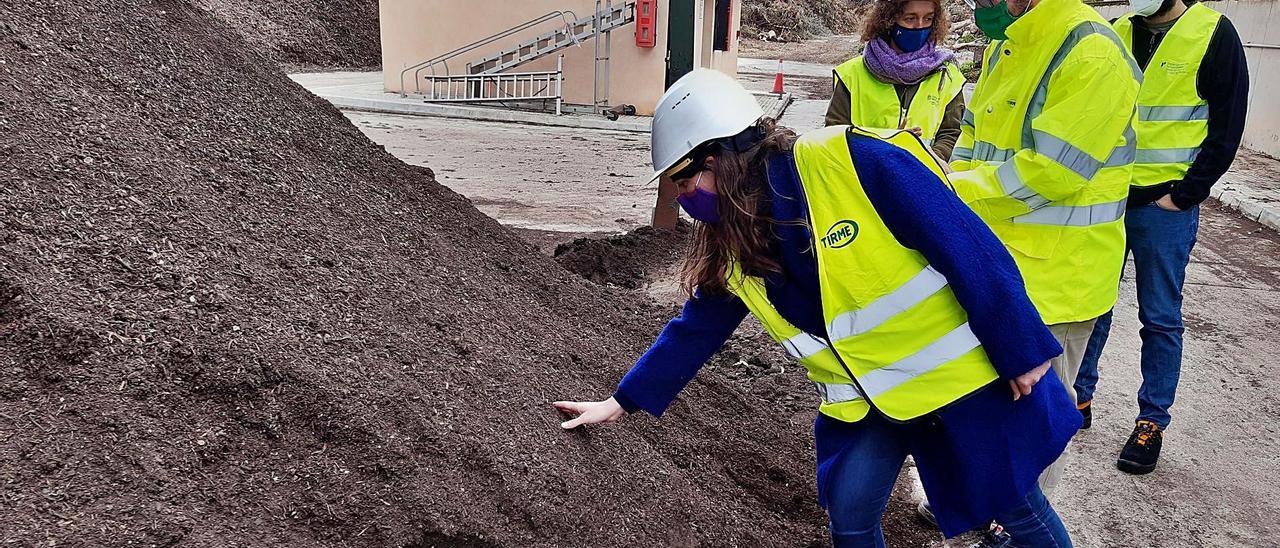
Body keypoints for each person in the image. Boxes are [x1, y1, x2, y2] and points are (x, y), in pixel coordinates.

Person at [553, 69, 1080, 548]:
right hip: (868, 400)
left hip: (955, 383)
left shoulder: (851, 162)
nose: (686, 198)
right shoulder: (733, 239)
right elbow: (696, 328)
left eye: (686, 181)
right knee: (850, 514)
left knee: (1014, 503)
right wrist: (621, 402)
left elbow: (967, 244)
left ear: (718, 158)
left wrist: (1021, 346)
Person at [946, 0, 1141, 506]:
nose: (978, 4)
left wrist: (953, 189)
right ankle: (988, 504)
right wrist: (948, 193)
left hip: (1059, 277)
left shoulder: (1091, 50)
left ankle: (1029, 527)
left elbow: (1054, 172)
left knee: (1041, 412)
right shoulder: (1008, 44)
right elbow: (971, 140)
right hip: (996, 263)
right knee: (989, 399)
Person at [1073, 0, 1249, 475]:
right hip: (1107, 198)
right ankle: (1079, 397)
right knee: (1093, 303)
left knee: (1160, 315)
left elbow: (1227, 123)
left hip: (1164, 206)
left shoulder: (1213, 32)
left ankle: (1151, 421)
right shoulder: (1115, 30)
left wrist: (1187, 193)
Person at [826, 0, 966, 161]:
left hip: (921, 181)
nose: (920, 26)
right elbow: (833, 136)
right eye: (910, 19)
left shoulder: (947, 76)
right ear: (889, 21)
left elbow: (952, 133)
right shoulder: (852, 75)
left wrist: (928, 161)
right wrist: (886, 145)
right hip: (863, 181)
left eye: (928, 19)